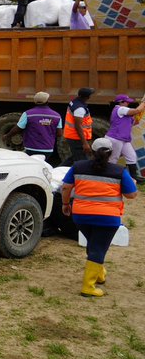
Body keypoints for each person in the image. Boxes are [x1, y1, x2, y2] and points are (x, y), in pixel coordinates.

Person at [60, 137, 137, 297]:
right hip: (107, 219)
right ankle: (88, 287)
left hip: (81, 216)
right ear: (111, 153)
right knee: (98, 248)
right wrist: (133, 185)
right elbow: (131, 195)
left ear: (92, 152)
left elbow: (66, 187)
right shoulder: (119, 171)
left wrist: (65, 204)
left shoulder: (78, 166)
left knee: (95, 244)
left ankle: (99, 274)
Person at [3, 91, 61, 164]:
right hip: (48, 149)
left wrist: (7, 136)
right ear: (47, 101)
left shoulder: (28, 114)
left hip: (31, 148)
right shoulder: (56, 116)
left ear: (35, 102)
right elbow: (59, 134)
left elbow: (18, 128)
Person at [106, 94, 145, 182]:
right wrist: (144, 102)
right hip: (115, 138)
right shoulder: (120, 109)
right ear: (121, 102)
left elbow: (133, 122)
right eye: (126, 102)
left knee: (131, 156)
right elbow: (137, 110)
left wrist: (138, 117)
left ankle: (133, 177)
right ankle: (108, 177)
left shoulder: (123, 111)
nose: (128, 103)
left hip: (123, 139)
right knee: (113, 159)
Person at [63, 87, 95, 162]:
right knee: (81, 161)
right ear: (88, 97)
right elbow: (78, 126)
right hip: (76, 138)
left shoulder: (75, 101)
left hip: (73, 136)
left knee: (74, 157)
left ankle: (56, 171)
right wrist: (85, 143)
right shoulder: (79, 109)